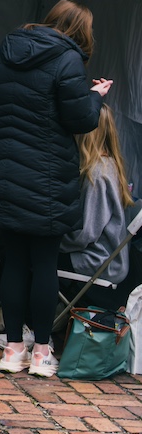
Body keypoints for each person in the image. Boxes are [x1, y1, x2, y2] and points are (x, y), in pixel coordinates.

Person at [0, 0, 109, 376]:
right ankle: (41, 353)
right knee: (44, 265)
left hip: (4, 173)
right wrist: (95, 96)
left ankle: (12, 351)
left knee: (13, 263)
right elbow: (80, 120)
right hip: (48, 178)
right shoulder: (68, 60)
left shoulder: (3, 54)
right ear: (80, 31)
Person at [61, 105, 135, 324]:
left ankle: (36, 326)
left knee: (36, 256)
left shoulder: (98, 174)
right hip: (104, 256)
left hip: (97, 260)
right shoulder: (110, 165)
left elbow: (86, 234)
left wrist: (56, 240)